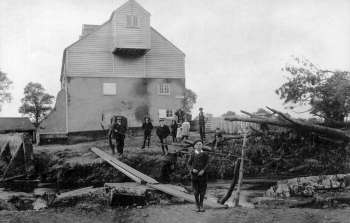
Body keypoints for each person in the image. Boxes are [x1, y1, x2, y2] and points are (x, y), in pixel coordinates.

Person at [187, 140, 209, 212]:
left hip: (203, 175)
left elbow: (207, 164)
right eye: (197, 144)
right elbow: (189, 164)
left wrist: (203, 170)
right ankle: (197, 205)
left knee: (202, 191)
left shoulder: (205, 154)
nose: (199, 146)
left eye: (200, 144)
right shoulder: (193, 154)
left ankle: (201, 205)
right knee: (196, 192)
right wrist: (192, 169)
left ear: (202, 146)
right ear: (195, 146)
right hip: (195, 176)